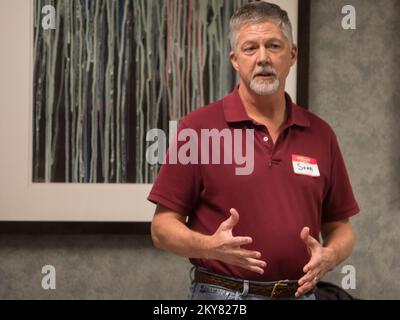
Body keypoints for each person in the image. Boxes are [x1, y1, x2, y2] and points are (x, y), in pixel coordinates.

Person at [148, 1, 359, 300]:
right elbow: (161, 229)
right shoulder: (197, 128)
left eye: (273, 46)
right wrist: (209, 246)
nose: (262, 58)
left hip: (300, 295)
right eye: (250, 48)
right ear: (235, 60)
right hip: (223, 295)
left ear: (292, 55)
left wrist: (330, 255)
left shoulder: (321, 134)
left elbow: (342, 228)